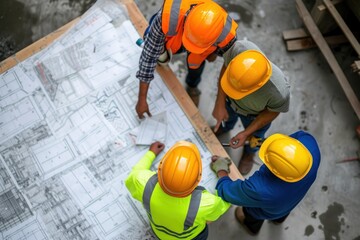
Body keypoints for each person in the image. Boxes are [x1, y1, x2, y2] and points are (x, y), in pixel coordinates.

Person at [135, 0, 238, 118]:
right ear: (186, 18)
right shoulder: (168, 17)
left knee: (196, 63)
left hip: (203, 46)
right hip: (174, 34)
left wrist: (215, 52)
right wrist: (142, 98)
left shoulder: (227, 35)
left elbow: (231, 65)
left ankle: (192, 86)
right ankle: (163, 55)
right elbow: (148, 57)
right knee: (152, 43)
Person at [210, 130, 321, 235]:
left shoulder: (260, 189)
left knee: (252, 214)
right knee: (283, 210)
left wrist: (221, 170)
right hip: (292, 200)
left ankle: (252, 228)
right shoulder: (309, 144)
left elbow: (225, 191)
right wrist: (268, 145)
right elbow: (287, 144)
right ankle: (279, 220)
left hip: (266, 211)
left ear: (276, 171)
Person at [212, 39, 290, 175]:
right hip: (229, 103)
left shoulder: (279, 92)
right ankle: (226, 127)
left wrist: (246, 133)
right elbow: (226, 67)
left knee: (255, 139)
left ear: (257, 88)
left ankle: (249, 153)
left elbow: (272, 112)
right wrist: (220, 103)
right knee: (226, 119)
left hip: (254, 115)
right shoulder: (240, 49)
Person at [125, 141, 230, 240]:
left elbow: (135, 173)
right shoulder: (206, 203)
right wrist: (222, 171)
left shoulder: (143, 184)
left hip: (159, 233)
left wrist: (151, 153)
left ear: (160, 169)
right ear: (197, 179)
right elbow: (226, 202)